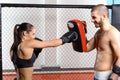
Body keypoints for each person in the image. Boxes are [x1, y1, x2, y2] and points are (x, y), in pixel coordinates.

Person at [10, 22, 78, 80]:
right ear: (25, 33)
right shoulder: (28, 43)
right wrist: (69, 37)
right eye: (33, 34)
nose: (34, 36)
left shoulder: (13, 48)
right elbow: (53, 43)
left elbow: (23, 65)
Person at [84, 4, 120, 80]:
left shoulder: (113, 33)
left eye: (94, 17)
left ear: (104, 16)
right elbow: (86, 48)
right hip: (97, 76)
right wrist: (82, 32)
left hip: (107, 76)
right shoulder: (98, 33)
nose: (91, 20)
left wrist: (115, 74)